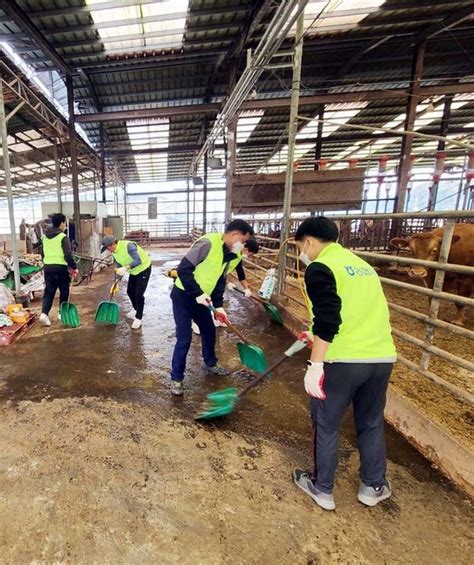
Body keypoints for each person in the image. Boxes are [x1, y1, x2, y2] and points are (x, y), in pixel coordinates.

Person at [292, 217, 396, 511]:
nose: (303, 253)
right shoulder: (362, 266)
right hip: (380, 356)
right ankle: (373, 486)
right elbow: (351, 309)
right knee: (371, 422)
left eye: (301, 247)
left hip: (343, 360)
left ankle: (321, 488)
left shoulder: (320, 267)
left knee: (325, 423)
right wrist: (312, 333)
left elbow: (328, 318)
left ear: (309, 241)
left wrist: (315, 364)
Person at [170, 219, 254, 396]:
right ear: (235, 235)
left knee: (209, 331)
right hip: (184, 296)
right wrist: (197, 292)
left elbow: (219, 281)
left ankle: (210, 363)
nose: (244, 245)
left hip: (203, 300)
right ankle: (176, 378)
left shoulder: (232, 254)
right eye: (244, 241)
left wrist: (218, 306)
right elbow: (183, 269)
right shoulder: (207, 244)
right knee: (184, 339)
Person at [192, 238, 260, 335]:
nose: (249, 257)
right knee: (203, 297)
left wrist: (246, 288)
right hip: (208, 276)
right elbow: (216, 267)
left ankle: (218, 317)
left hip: (220, 276)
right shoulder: (228, 251)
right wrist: (228, 282)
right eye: (250, 254)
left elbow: (240, 273)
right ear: (246, 249)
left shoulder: (238, 256)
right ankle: (196, 323)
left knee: (218, 296)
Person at [101, 235, 152, 330]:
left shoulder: (129, 246)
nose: (108, 250)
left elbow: (138, 260)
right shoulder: (114, 252)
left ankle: (138, 318)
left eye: (107, 248)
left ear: (113, 244)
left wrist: (125, 268)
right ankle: (136, 309)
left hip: (144, 268)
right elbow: (120, 264)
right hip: (134, 271)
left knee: (139, 294)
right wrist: (117, 280)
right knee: (130, 291)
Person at [39, 213, 78, 327]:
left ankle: (44, 314)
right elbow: (67, 254)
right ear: (61, 223)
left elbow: (42, 253)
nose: (65, 225)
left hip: (48, 268)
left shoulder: (45, 237)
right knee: (64, 291)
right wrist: (74, 267)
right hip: (60, 268)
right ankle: (62, 313)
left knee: (49, 291)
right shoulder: (62, 237)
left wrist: (47, 263)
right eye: (64, 222)